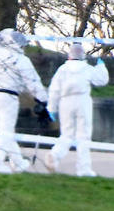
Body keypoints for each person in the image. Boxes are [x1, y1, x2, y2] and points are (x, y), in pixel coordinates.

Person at [0, 28, 50, 174]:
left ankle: (18, 162)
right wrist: (43, 100)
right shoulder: (21, 60)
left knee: (5, 131)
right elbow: (33, 82)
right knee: (6, 132)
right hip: (8, 98)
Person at [45, 43, 109, 177]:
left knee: (67, 135)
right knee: (83, 137)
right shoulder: (86, 68)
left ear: (69, 55)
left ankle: (55, 154)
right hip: (82, 101)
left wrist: (52, 108)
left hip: (65, 102)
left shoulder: (62, 69)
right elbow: (102, 80)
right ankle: (83, 169)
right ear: (82, 55)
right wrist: (101, 66)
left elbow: (54, 90)